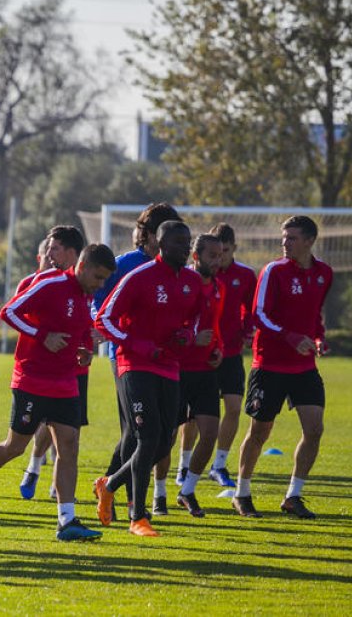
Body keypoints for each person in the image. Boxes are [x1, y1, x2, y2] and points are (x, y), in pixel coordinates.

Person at [0, 244, 116, 541]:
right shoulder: (51, 283)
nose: (101, 284)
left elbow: (77, 328)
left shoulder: (85, 295)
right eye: (99, 277)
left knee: (69, 446)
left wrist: (84, 349)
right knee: (15, 447)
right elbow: (9, 312)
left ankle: (66, 521)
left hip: (65, 381)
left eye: (105, 279)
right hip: (32, 379)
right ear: (82, 266)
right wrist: (43, 336)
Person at [93, 220, 203, 537]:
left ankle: (110, 484)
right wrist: (139, 345)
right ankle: (137, 518)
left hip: (169, 366)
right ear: (160, 244)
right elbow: (105, 320)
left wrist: (187, 333)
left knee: (163, 442)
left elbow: (196, 317)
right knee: (147, 436)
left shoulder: (192, 282)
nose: (185, 247)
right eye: (178, 242)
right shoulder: (138, 277)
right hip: (135, 366)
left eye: (187, 241)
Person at [233, 216, 332, 520]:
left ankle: (293, 496)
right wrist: (290, 337)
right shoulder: (273, 271)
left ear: (309, 241)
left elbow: (315, 316)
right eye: (283, 237)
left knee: (314, 429)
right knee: (260, 431)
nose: (284, 242)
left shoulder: (324, 274)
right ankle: (242, 492)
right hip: (269, 364)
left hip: (304, 367)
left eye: (291, 237)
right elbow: (258, 314)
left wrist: (318, 339)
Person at [16, 225, 86, 500]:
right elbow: (11, 313)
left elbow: (95, 319)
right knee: (33, 431)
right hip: (37, 369)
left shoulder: (89, 282)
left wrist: (92, 339)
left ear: (72, 253)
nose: (48, 253)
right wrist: (43, 336)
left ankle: (62, 495)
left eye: (54, 248)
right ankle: (34, 466)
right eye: (47, 249)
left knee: (70, 435)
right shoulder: (36, 283)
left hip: (75, 367)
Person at [171, 234, 225, 518]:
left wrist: (218, 349)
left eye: (221, 255)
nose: (218, 261)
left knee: (210, 433)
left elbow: (214, 327)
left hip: (205, 371)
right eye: (212, 256)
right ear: (196, 257)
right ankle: (156, 493)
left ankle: (187, 490)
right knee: (165, 438)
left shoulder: (219, 287)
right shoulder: (182, 285)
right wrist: (192, 338)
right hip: (176, 369)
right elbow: (170, 327)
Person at [206, 223, 256, 487]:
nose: (220, 256)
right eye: (216, 251)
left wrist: (248, 330)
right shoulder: (202, 275)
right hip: (203, 354)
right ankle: (184, 463)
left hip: (232, 353)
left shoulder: (246, 276)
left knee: (234, 408)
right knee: (194, 416)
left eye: (225, 250)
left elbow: (251, 309)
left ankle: (219, 464)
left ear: (234, 248)